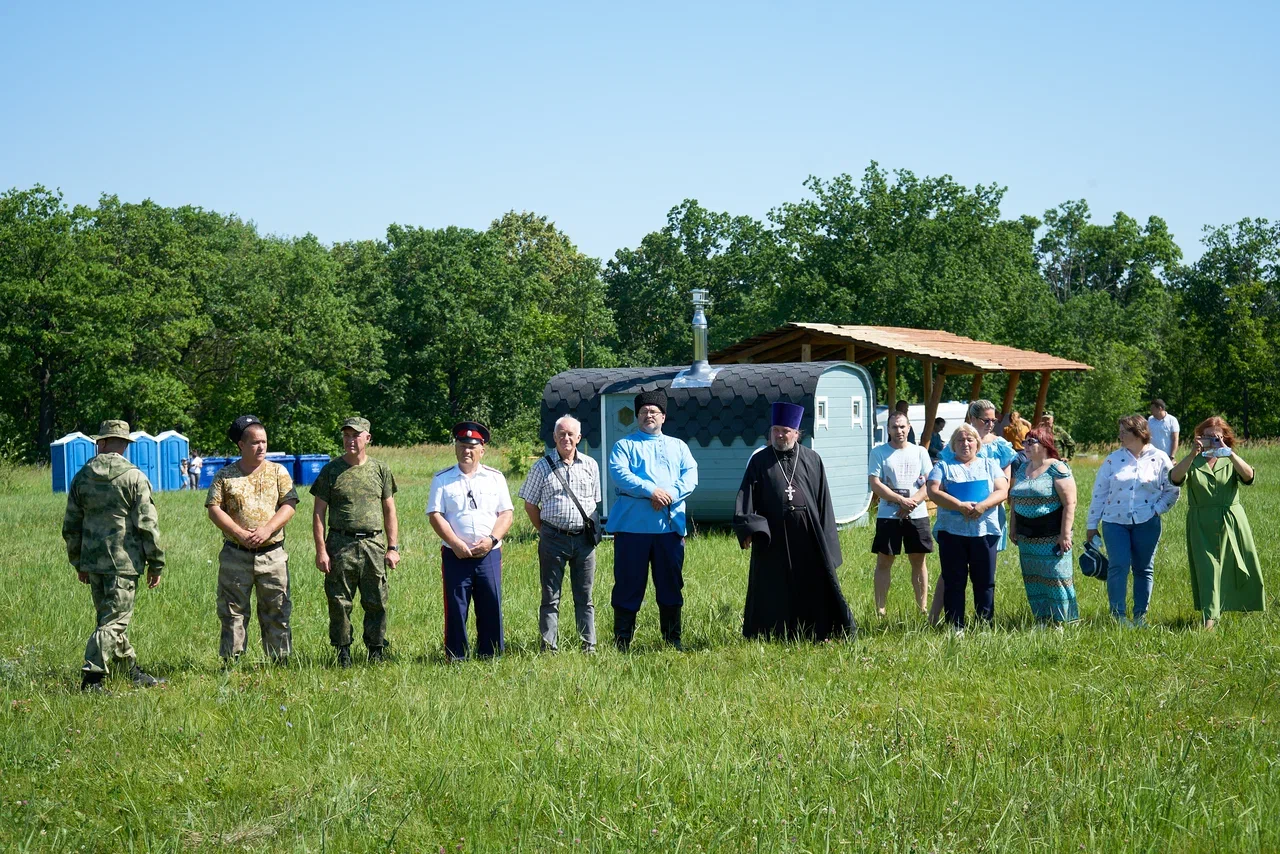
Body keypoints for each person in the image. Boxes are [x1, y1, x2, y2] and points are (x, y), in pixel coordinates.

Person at [734, 402, 856, 640]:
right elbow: (745, 495)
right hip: (773, 536)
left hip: (808, 536)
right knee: (773, 586)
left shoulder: (812, 459)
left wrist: (828, 543)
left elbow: (823, 503)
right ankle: (771, 633)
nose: (780, 435)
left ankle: (817, 631)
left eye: (785, 430)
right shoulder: (760, 461)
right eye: (775, 430)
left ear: (797, 433)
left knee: (813, 583)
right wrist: (750, 528)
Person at [62, 420, 166, 691]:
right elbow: (147, 524)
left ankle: (128, 669)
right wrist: (155, 562)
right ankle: (92, 677)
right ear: (124, 445)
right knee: (113, 622)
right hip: (124, 562)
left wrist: (78, 562)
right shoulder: (134, 477)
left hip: (92, 561)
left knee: (109, 619)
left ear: (101, 442)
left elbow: (71, 525)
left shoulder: (82, 477)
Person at [606, 389, 698, 651]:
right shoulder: (624, 446)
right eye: (644, 412)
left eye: (654, 412)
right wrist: (651, 491)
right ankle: (622, 642)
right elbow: (619, 473)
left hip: (668, 529)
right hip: (632, 529)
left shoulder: (678, 446)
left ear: (663, 417)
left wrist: (668, 494)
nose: (649, 415)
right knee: (628, 584)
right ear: (637, 416)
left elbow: (690, 476)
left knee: (670, 584)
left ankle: (672, 640)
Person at [206, 415, 299, 663]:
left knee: (277, 609)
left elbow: (289, 504)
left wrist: (267, 529)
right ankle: (232, 661)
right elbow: (214, 509)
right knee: (232, 612)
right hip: (236, 554)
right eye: (255, 442)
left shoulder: (278, 472)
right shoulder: (225, 475)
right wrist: (239, 533)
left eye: (264, 442)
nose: (261, 447)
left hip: (272, 554)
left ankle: (280, 660)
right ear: (241, 445)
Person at [311, 416, 401, 667]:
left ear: (367, 438)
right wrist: (321, 551)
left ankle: (376, 649)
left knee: (377, 600)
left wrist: (392, 547)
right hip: (340, 543)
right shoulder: (331, 470)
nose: (350, 440)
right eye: (347, 435)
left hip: (373, 544)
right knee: (339, 601)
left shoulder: (380, 469)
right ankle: (343, 652)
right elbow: (319, 512)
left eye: (356, 435)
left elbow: (389, 510)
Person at [427, 421, 514, 660]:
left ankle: (491, 655)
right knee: (456, 607)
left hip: (489, 553)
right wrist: (454, 542)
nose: (467, 450)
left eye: (472, 447)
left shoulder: (495, 478)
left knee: (491, 604)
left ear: (482, 450)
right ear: (455, 448)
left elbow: (506, 514)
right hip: (455, 554)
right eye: (462, 445)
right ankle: (456, 657)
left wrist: (492, 539)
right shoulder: (442, 479)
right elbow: (435, 514)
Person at [1168, 416, 1263, 629]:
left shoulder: (1230, 459)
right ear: (1199, 437)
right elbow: (1175, 478)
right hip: (1201, 522)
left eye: (1217, 437)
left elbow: (1249, 477)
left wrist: (1228, 452)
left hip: (1231, 520)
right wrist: (1193, 453)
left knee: (1237, 566)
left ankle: (1244, 608)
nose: (1212, 440)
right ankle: (1209, 619)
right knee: (1207, 568)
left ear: (1225, 438)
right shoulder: (1194, 461)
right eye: (1208, 436)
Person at [927, 399, 1016, 624]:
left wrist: (983, 506)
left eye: (969, 440)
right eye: (960, 440)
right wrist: (959, 506)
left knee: (984, 579)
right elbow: (933, 490)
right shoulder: (943, 466)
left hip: (984, 529)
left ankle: (984, 623)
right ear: (953, 445)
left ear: (977, 444)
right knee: (954, 578)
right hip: (953, 531)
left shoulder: (989, 464)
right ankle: (954, 623)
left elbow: (1003, 488)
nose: (965, 444)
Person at [1086, 415, 1180, 627]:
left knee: (1143, 568)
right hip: (1114, 522)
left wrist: (1156, 510)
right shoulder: (1112, 460)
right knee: (1118, 566)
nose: (1119, 435)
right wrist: (1092, 525)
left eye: (1124, 431)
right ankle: (1118, 616)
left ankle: (1140, 616)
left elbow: (1173, 490)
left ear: (1139, 433)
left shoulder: (1160, 458)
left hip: (1147, 522)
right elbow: (1099, 494)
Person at [519, 415, 601, 653]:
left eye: (570, 434)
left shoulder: (590, 465)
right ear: (554, 437)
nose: (566, 438)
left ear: (579, 438)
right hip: (553, 539)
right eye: (561, 434)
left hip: (583, 541)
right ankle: (549, 647)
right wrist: (544, 530)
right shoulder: (541, 467)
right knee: (550, 596)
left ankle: (589, 645)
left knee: (584, 596)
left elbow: (594, 503)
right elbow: (530, 505)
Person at [1008, 426, 1078, 627]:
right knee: (1034, 578)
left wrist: (1065, 535)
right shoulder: (1022, 468)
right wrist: (1013, 528)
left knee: (1056, 578)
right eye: (1025, 442)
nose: (1026, 446)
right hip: (1027, 537)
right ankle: (1042, 619)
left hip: (1051, 536)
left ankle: (1064, 622)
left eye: (1031, 442)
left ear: (1045, 444)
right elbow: (1014, 501)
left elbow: (1070, 503)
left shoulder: (1058, 468)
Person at [867, 411, 933, 616]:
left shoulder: (920, 452)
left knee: (918, 561)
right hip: (889, 515)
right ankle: (880, 609)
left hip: (917, 514)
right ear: (888, 429)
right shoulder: (878, 452)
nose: (899, 431)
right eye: (894, 427)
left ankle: (922, 608)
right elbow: (875, 483)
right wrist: (900, 501)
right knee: (884, 561)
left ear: (909, 427)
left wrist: (912, 503)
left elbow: (931, 483)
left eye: (903, 426)